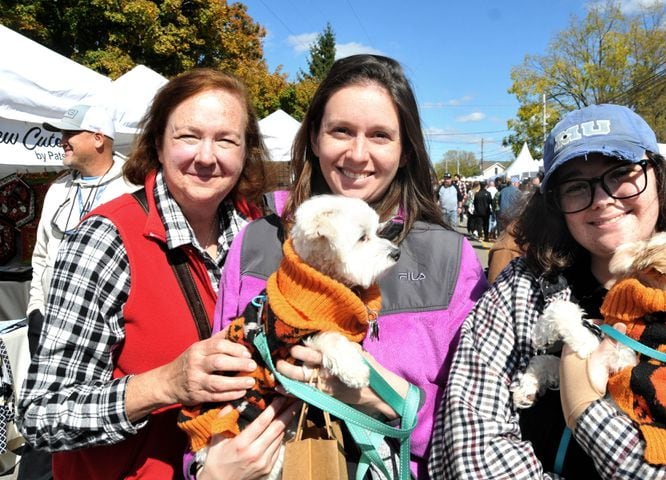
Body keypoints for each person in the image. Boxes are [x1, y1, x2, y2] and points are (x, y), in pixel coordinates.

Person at [429, 104, 666, 478]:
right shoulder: (521, 290)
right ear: (556, 205)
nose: (603, 199)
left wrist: (587, 413)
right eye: (576, 187)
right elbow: (470, 440)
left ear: (659, 178)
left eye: (621, 173)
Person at [197, 54, 489, 480]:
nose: (357, 153)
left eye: (380, 136)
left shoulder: (448, 256)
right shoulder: (257, 242)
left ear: (406, 150)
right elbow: (217, 373)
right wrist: (208, 470)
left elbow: (474, 424)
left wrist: (381, 400)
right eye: (341, 131)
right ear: (314, 138)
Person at [17, 69, 280, 479]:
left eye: (226, 139)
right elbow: (42, 414)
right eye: (188, 136)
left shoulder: (259, 235)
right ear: (158, 144)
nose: (207, 156)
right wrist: (165, 384)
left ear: (246, 151)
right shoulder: (104, 240)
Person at [22, 104, 138, 480]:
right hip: (48, 324)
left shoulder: (132, 186)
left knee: (86, 427)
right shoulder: (59, 187)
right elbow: (41, 255)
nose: (62, 141)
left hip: (103, 335)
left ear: (99, 138)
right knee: (41, 423)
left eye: (70, 134)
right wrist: (36, 309)